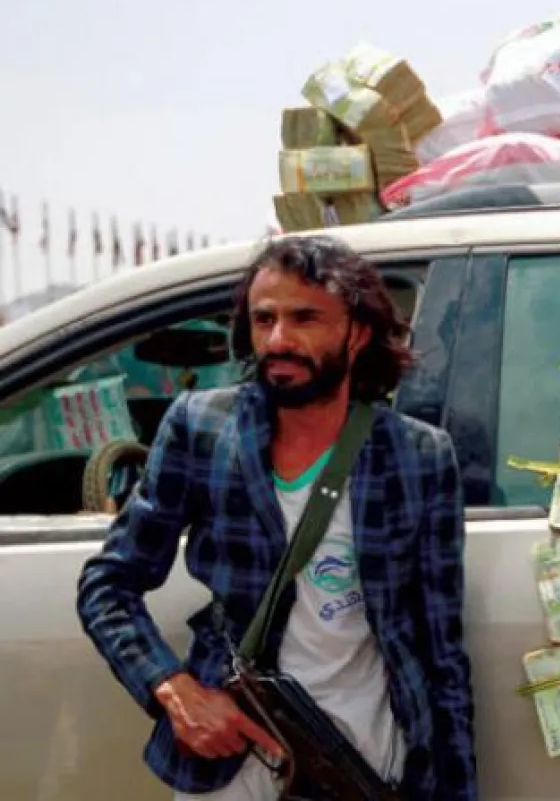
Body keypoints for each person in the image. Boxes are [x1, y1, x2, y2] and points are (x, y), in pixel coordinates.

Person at [75, 235, 477, 800]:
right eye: (264, 320)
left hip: (365, 761)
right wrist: (173, 688)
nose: (279, 340)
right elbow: (107, 585)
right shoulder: (203, 429)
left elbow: (442, 654)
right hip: (234, 766)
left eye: (305, 318)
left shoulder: (418, 457)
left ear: (357, 332)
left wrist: (455, 789)